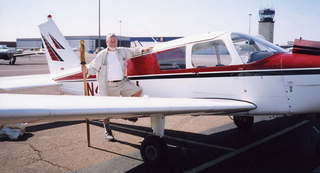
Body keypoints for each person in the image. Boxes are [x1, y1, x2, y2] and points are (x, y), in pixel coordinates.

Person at [85, 33, 153, 141]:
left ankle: (125, 114)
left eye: (115, 41)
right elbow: (93, 67)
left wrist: (144, 50)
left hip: (122, 82)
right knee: (106, 110)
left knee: (138, 92)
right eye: (111, 41)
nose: (113, 43)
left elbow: (133, 51)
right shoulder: (101, 55)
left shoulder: (122, 51)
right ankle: (107, 130)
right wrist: (87, 70)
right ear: (107, 42)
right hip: (108, 85)